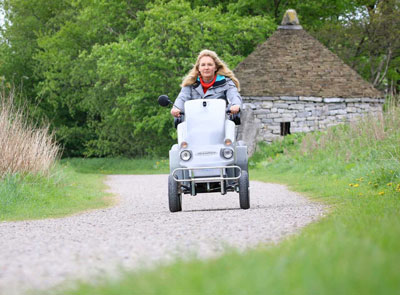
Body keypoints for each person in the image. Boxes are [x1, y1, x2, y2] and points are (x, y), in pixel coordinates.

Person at [171, 49, 242, 118]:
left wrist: (235, 105)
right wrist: (176, 108)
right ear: (198, 68)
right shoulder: (190, 83)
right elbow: (182, 98)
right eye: (203, 65)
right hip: (194, 124)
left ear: (216, 67)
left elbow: (234, 95)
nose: (206, 68)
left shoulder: (226, 82)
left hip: (219, 123)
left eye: (210, 64)